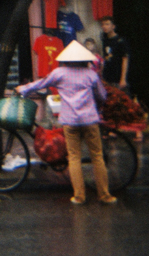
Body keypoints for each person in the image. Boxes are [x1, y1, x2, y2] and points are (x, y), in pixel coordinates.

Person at [15, 40, 117, 205]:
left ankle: (79, 196)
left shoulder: (59, 73)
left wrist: (23, 89)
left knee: (74, 157)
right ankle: (105, 195)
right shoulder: (91, 74)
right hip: (90, 120)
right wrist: (97, 106)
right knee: (97, 157)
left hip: (70, 122)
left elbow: (40, 83)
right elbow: (102, 96)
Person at [100, 16, 130, 90]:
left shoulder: (120, 41)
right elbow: (105, 57)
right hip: (107, 75)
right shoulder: (105, 40)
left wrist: (123, 78)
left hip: (117, 75)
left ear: (113, 26)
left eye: (107, 24)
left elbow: (125, 59)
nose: (104, 26)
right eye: (103, 24)